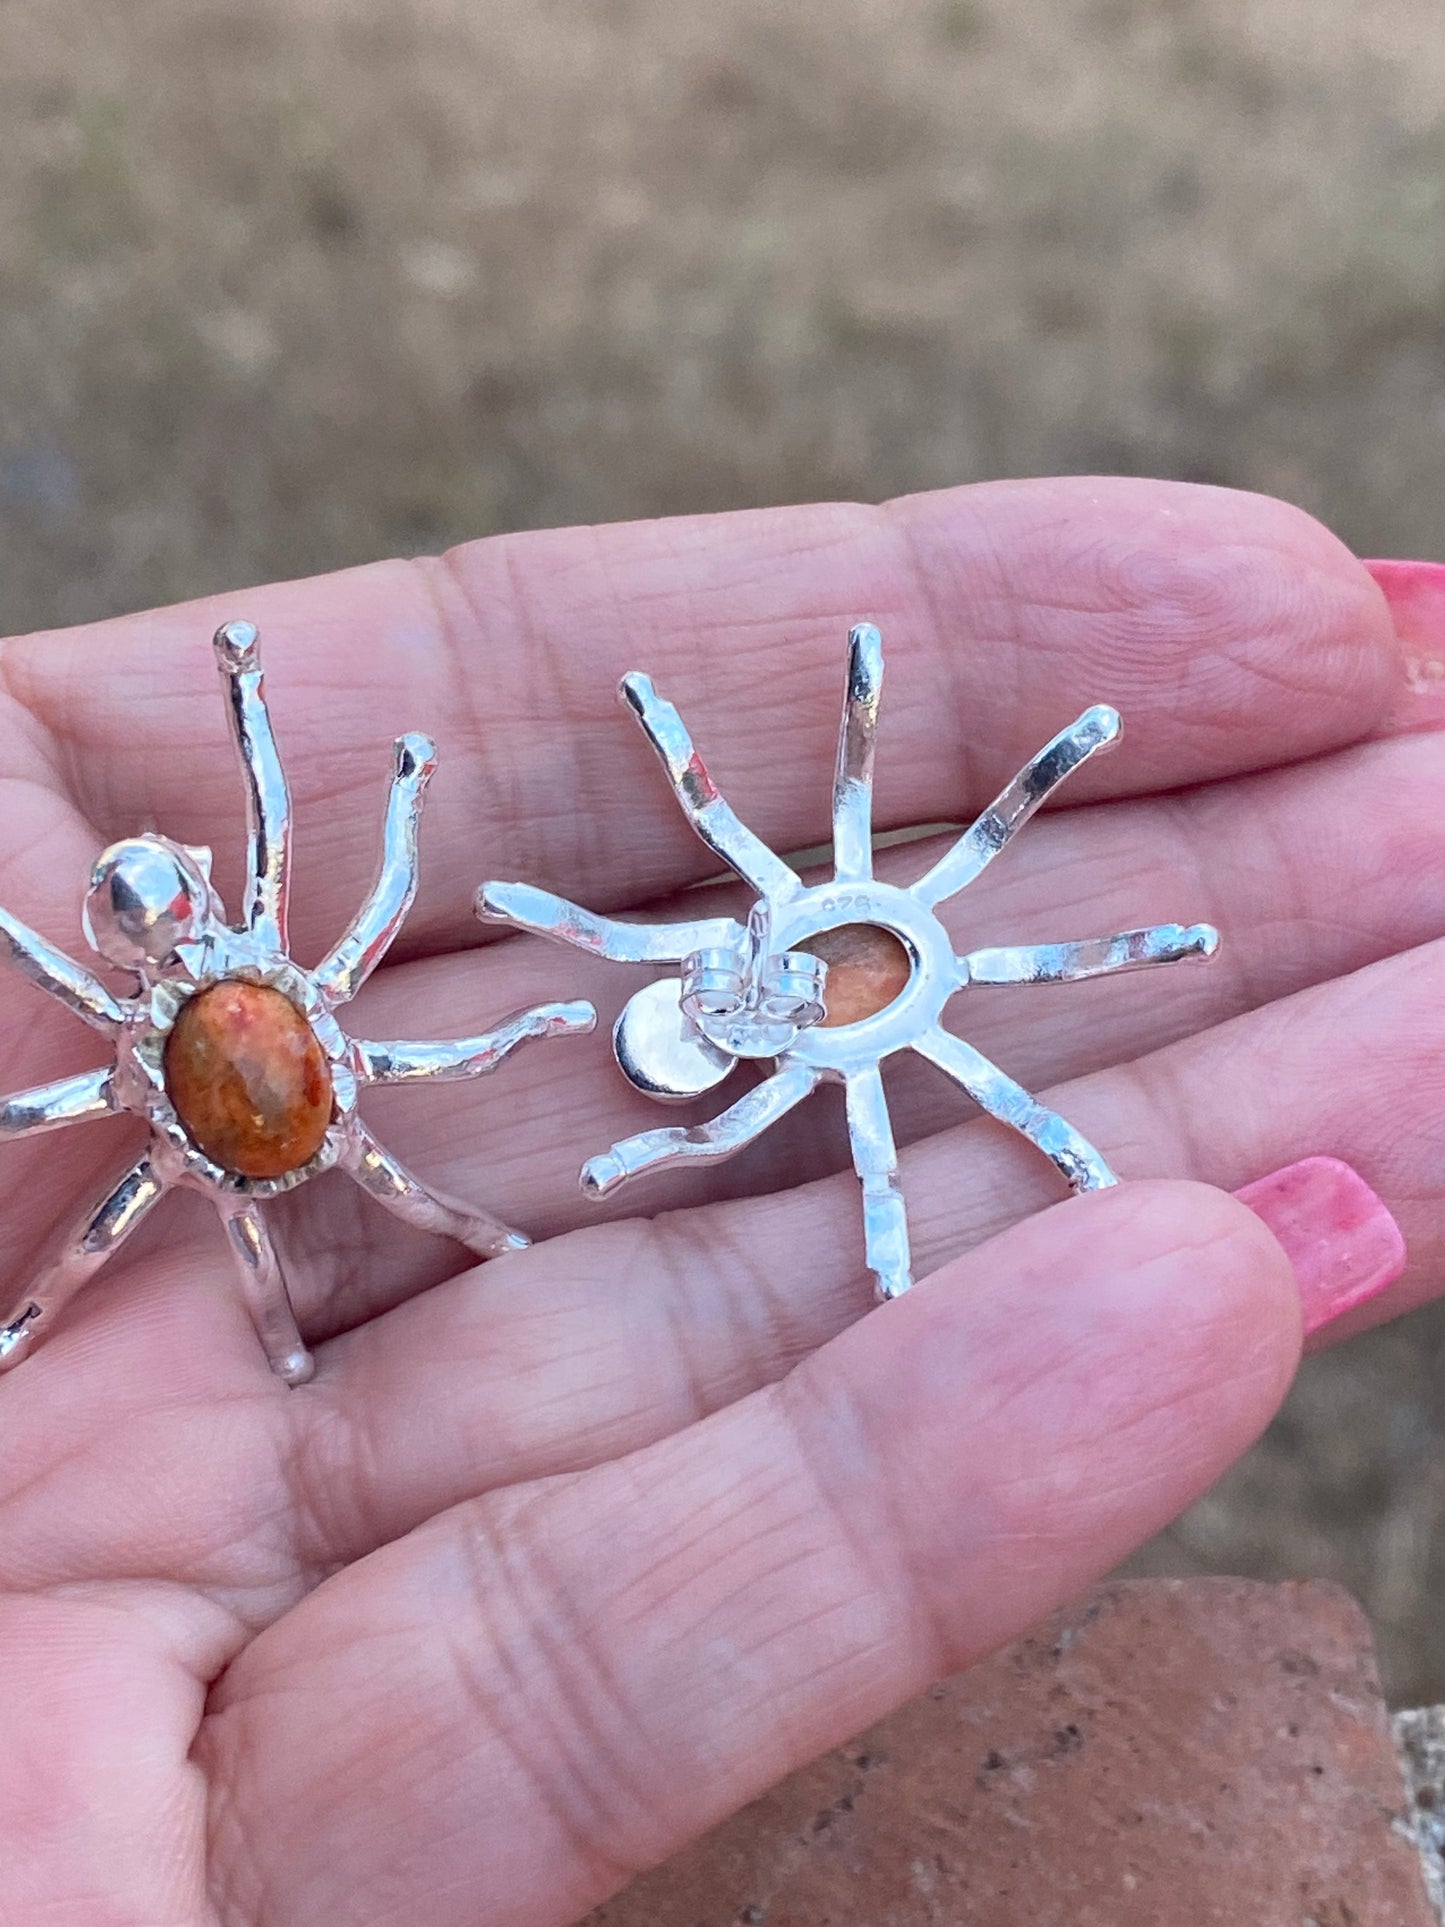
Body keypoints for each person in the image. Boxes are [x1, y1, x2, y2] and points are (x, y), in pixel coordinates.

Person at [0, 475, 1434, 1924]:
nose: (192, 885)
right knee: (268, 1192)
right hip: (306, 1107)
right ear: (166, 906)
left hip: (335, 1099)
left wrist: (362, 768)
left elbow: (306, 848)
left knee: (422, 1166)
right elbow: (287, 866)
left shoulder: (271, 961)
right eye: (173, 888)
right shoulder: (187, 999)